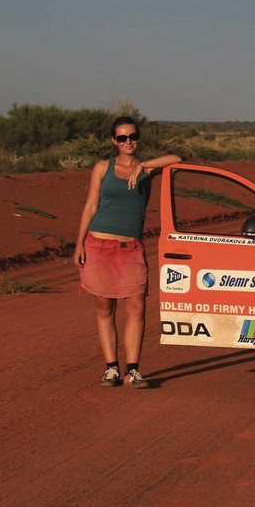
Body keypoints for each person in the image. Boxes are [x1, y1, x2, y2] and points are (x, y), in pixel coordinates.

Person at [74, 117, 181, 388]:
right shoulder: (102, 168)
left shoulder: (146, 170)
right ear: (113, 141)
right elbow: (90, 207)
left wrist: (144, 165)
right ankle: (111, 368)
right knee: (104, 306)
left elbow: (176, 158)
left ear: (138, 137)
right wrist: (79, 243)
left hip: (130, 247)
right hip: (98, 244)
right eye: (121, 138)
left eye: (132, 136)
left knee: (136, 306)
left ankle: (133, 370)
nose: (128, 142)